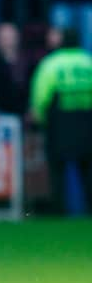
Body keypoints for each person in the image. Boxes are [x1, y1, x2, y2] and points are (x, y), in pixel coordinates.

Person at [30, 28, 92, 215]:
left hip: (60, 126)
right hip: (88, 125)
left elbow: (40, 97)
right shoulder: (88, 61)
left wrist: (41, 119)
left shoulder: (52, 64)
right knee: (88, 172)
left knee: (57, 171)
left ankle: (59, 210)